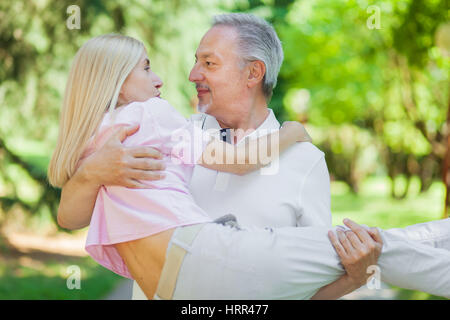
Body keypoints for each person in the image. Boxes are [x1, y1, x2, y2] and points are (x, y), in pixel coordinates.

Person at [47, 33, 450, 300]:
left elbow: (304, 289)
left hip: (179, 287)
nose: (175, 78)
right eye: (147, 68)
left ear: (253, 73)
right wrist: (295, 130)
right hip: (203, 257)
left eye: (209, 63)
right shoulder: (152, 119)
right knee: (353, 244)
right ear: (118, 83)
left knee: (366, 245)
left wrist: (355, 277)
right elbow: (240, 162)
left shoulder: (100, 136)